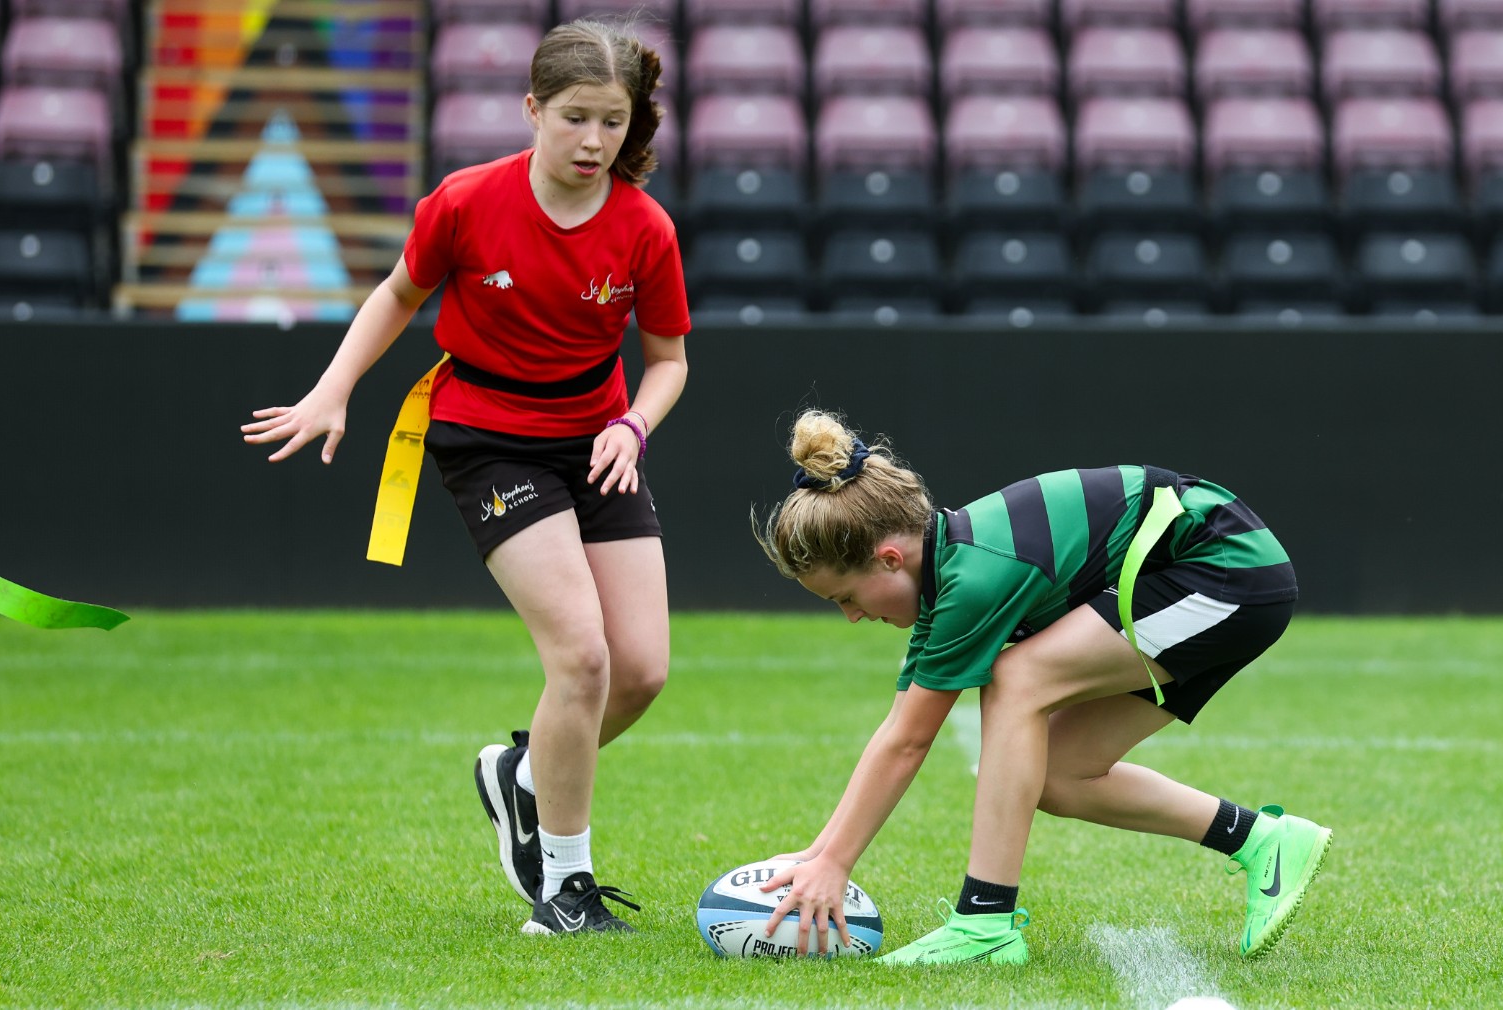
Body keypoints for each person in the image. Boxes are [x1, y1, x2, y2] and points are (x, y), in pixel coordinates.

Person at [240, 19, 690, 936]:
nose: (594, 142)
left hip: (598, 438)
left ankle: (520, 776)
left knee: (641, 669)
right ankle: (564, 886)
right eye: (574, 119)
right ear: (532, 110)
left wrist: (634, 425)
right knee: (582, 657)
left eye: (612, 122)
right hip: (487, 438)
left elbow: (670, 361)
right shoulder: (464, 201)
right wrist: (333, 391)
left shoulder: (645, 228)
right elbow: (398, 293)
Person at [752, 409, 1332, 964]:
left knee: (1016, 677)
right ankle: (1264, 842)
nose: (852, 617)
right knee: (1057, 776)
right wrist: (820, 856)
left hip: (1229, 570)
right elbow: (898, 730)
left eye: (845, 598)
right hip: (1202, 579)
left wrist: (838, 864)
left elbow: (911, 742)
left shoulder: (972, 580)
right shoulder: (946, 576)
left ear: (888, 559)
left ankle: (983, 923)